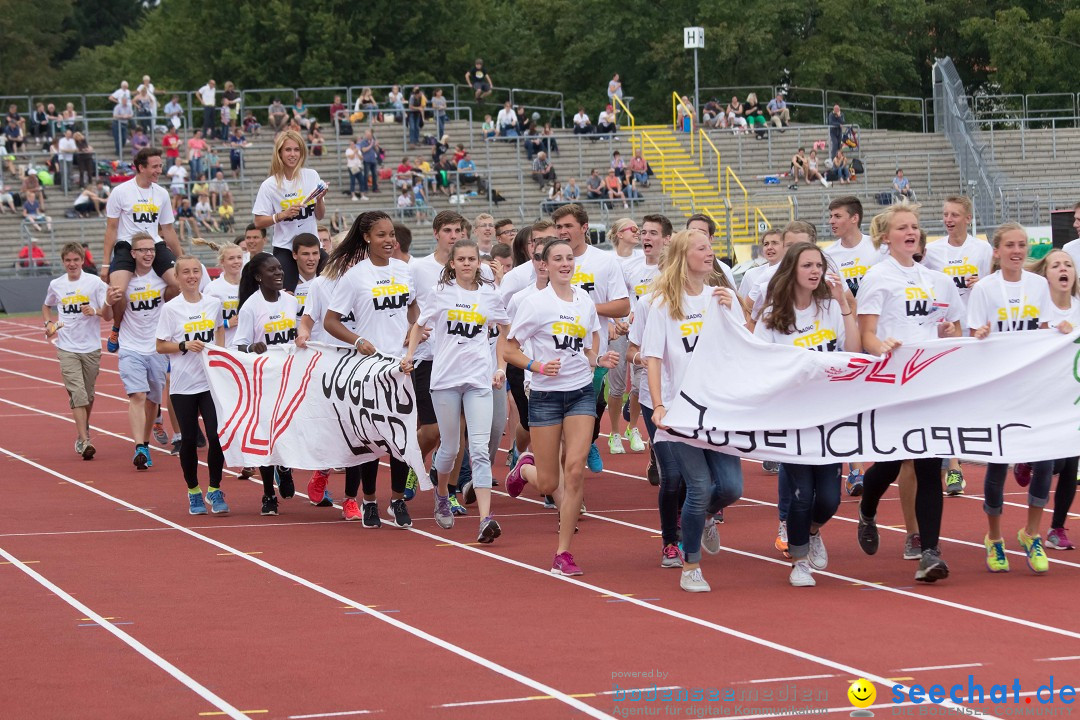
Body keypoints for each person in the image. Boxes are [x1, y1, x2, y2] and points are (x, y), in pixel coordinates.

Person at [855, 203, 963, 582]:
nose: (911, 232)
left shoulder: (934, 278)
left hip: (928, 381)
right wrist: (879, 345)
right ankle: (868, 509)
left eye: (915, 226)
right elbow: (865, 333)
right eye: (903, 227)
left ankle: (929, 552)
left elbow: (944, 327)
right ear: (887, 236)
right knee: (893, 461)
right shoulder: (877, 277)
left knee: (929, 462)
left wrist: (949, 331)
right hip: (892, 381)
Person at [503, 236, 619, 575]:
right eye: (558, 258)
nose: (566, 263)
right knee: (548, 483)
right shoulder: (535, 304)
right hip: (545, 395)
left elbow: (587, 344)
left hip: (581, 391)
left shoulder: (584, 300)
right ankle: (525, 468)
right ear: (545, 264)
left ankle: (563, 553)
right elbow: (509, 349)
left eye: (570, 257)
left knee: (576, 469)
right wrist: (537, 366)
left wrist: (599, 359)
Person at [646, 229, 747, 592]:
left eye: (711, 247)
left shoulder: (721, 298)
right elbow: (653, 358)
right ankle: (691, 566)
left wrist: (734, 307)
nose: (710, 253)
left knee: (732, 489)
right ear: (683, 255)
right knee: (700, 485)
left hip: (720, 409)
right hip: (682, 410)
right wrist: (658, 404)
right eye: (702, 248)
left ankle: (699, 518)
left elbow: (745, 346)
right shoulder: (662, 302)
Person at [754, 242, 860, 586]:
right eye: (808, 265)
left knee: (830, 498)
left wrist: (844, 305)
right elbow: (759, 364)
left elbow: (854, 352)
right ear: (792, 271)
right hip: (794, 418)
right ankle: (799, 560)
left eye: (819, 265)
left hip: (830, 416)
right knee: (801, 493)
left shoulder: (830, 307)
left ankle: (813, 531)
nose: (815, 271)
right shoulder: (773, 316)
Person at [968, 223, 1063, 574]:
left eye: (1022, 245)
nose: (1017, 251)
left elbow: (1049, 330)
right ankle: (994, 538)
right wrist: (980, 334)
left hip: (1034, 385)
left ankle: (1032, 533)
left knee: (1044, 459)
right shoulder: (985, 289)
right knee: (997, 463)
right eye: (1010, 245)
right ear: (996, 251)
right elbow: (972, 335)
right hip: (998, 387)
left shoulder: (1040, 286)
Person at [402, 239, 509, 538]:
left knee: (478, 449)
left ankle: (486, 519)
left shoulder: (489, 294)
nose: (466, 264)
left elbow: (506, 330)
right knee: (449, 447)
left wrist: (500, 366)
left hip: (478, 380)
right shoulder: (440, 294)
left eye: (471, 259)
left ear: (478, 263)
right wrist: (410, 354)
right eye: (460, 259)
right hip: (446, 380)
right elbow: (418, 326)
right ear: (452, 264)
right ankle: (441, 493)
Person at [323, 212, 416, 528]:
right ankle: (370, 501)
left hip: (401, 366)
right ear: (366, 238)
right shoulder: (354, 277)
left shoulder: (405, 271)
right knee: (372, 440)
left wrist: (414, 329)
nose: (389, 240)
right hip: (367, 368)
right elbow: (330, 321)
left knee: (401, 439)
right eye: (381, 235)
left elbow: (415, 309)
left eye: (392, 234)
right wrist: (358, 339)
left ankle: (398, 500)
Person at [551, 204, 631, 474]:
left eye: (568, 226)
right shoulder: (548, 260)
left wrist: (585, 308)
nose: (563, 232)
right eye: (559, 227)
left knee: (592, 407)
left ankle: (589, 443)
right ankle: (565, 480)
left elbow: (622, 306)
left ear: (584, 228)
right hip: (555, 351)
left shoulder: (605, 261)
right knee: (563, 416)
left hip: (593, 353)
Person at [920, 195, 992, 496]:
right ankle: (952, 466)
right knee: (946, 396)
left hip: (973, 329)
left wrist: (981, 285)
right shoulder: (933, 251)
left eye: (955, 214)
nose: (948, 219)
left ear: (968, 218)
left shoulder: (982, 249)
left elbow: (992, 284)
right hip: (945, 331)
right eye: (945, 214)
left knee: (969, 396)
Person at [155, 255, 228, 515]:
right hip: (183, 386)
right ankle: (194, 491)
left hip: (210, 382)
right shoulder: (171, 309)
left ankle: (215, 489)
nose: (192, 276)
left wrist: (218, 350)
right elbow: (160, 345)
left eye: (196, 271)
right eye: (186, 272)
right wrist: (184, 345)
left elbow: (219, 328)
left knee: (216, 436)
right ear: (177, 277)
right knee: (188, 441)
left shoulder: (213, 304)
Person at [234, 252, 299, 515]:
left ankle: (284, 467)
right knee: (266, 436)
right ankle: (268, 494)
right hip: (263, 379)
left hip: (288, 375)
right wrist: (252, 346)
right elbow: (238, 344)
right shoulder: (251, 306)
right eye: (272, 270)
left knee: (287, 431)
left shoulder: (291, 301)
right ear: (259, 277)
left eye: (280, 269)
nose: (279, 273)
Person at [102, 148, 182, 354]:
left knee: (177, 283)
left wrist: (182, 258)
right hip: (127, 244)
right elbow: (111, 228)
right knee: (118, 293)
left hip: (154, 243)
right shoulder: (120, 192)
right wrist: (104, 263)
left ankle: (166, 326)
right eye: (155, 166)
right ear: (141, 167)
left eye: (160, 165)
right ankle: (117, 328)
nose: (159, 170)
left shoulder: (162, 193)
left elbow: (168, 229)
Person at [43, 242, 114, 460]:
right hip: (67, 347)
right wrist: (48, 324)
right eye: (68, 260)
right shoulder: (56, 284)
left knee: (88, 395)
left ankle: (84, 428)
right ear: (63, 262)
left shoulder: (94, 283)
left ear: (82, 261)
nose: (72, 264)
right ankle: (84, 441)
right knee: (78, 393)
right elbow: (47, 305)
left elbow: (109, 314)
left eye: (76, 260)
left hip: (91, 347)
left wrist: (95, 311)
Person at [1031, 248, 1080, 551]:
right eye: (1056, 265)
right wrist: (1048, 331)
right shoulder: (1038, 309)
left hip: (1071, 398)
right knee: (1052, 461)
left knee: (1071, 460)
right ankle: (1029, 459)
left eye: (1068, 264)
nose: (1063, 269)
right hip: (1042, 396)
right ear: (1045, 275)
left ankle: (1057, 527)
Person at [115, 232, 171, 470]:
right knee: (137, 395)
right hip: (130, 347)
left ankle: (151, 430)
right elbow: (109, 313)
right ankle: (140, 446)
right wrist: (109, 302)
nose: (148, 254)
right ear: (133, 253)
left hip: (156, 348)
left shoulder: (163, 281)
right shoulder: (123, 282)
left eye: (152, 250)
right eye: (143, 250)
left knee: (152, 400)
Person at [252, 130, 326, 292]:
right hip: (285, 246)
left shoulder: (311, 176)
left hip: (312, 246)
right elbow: (258, 222)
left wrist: (319, 199)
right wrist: (281, 215)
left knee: (332, 284)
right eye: (288, 150)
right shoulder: (269, 185)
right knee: (284, 293)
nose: (293, 154)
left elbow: (320, 216)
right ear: (279, 153)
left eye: (296, 149)